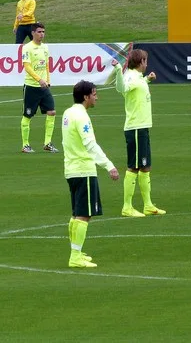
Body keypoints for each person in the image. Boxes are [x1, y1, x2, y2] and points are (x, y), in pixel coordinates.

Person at [62, 80, 120, 268]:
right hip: (83, 169)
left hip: (71, 169)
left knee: (76, 213)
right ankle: (75, 256)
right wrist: (109, 165)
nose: (97, 97)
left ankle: (76, 252)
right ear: (86, 97)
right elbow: (90, 145)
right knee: (84, 215)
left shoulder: (68, 113)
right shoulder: (82, 117)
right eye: (94, 94)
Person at [112, 50, 166, 217]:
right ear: (140, 61)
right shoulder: (130, 76)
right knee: (134, 166)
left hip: (142, 127)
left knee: (145, 166)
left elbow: (136, 86)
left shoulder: (137, 77)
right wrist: (118, 70)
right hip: (135, 127)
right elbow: (122, 89)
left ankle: (148, 205)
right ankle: (127, 206)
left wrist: (147, 80)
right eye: (145, 61)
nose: (146, 64)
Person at [20, 22, 58, 154]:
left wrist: (47, 80)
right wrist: (39, 79)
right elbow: (27, 67)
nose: (42, 34)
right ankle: (25, 145)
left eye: (43, 32)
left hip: (44, 87)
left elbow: (47, 65)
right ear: (33, 33)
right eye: (39, 32)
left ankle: (47, 143)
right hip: (31, 87)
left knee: (52, 112)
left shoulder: (45, 48)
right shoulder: (27, 48)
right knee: (28, 115)